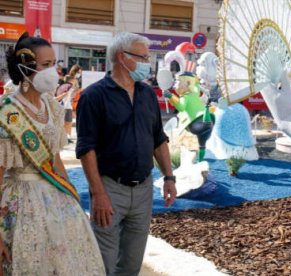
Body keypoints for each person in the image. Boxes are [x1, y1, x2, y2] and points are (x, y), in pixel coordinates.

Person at [0, 32, 105, 274]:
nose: (54, 71)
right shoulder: (7, 113)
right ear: (25, 68)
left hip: (55, 197)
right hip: (20, 201)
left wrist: (72, 198)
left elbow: (55, 160)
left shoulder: (51, 106)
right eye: (46, 65)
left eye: (54, 63)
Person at [76, 32, 177, 275]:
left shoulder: (147, 95)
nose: (147, 64)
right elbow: (86, 149)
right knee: (104, 264)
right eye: (143, 57)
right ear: (122, 58)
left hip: (143, 190)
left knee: (131, 265)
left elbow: (158, 139)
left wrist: (169, 177)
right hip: (110, 190)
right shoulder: (93, 97)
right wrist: (98, 194)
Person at [56, 74, 78, 143]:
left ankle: (67, 137)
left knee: (68, 123)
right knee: (67, 123)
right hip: (65, 106)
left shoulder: (67, 86)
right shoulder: (68, 86)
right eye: (73, 79)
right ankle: (65, 138)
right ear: (70, 80)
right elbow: (64, 94)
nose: (75, 81)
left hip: (67, 106)